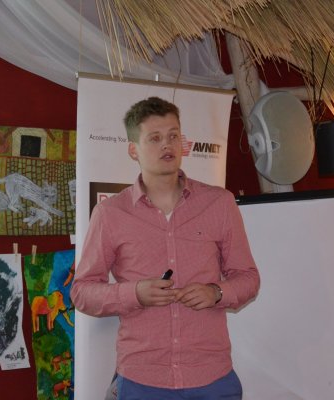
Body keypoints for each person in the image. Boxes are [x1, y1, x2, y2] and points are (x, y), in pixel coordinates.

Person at [71, 96, 259, 399]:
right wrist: (134, 293)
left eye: (173, 136)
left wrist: (216, 292)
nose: (167, 145)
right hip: (142, 379)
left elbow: (248, 278)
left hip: (212, 377)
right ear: (133, 149)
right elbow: (82, 292)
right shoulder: (110, 213)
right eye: (155, 138)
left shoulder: (219, 203)